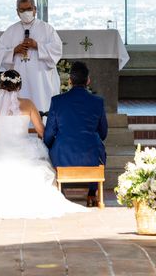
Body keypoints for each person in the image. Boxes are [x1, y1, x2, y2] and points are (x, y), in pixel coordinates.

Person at [0, 69, 88, 218]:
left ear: (1, 85)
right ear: (19, 86)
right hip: (25, 146)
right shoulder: (28, 105)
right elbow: (41, 131)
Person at [43, 61, 108, 207]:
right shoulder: (98, 102)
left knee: (52, 149)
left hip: (63, 155)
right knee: (98, 147)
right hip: (91, 155)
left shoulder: (57, 101)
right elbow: (103, 132)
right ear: (88, 80)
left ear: (70, 81)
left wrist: (48, 146)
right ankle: (92, 193)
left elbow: (49, 133)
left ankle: (61, 193)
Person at [0, 0, 62, 113]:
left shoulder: (47, 29)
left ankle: (42, 128)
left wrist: (37, 46)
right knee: (20, 112)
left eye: (29, 9)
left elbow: (57, 50)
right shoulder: (11, 31)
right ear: (17, 11)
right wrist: (14, 51)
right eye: (22, 10)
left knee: (42, 109)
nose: (26, 12)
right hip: (19, 81)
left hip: (40, 79)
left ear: (35, 9)